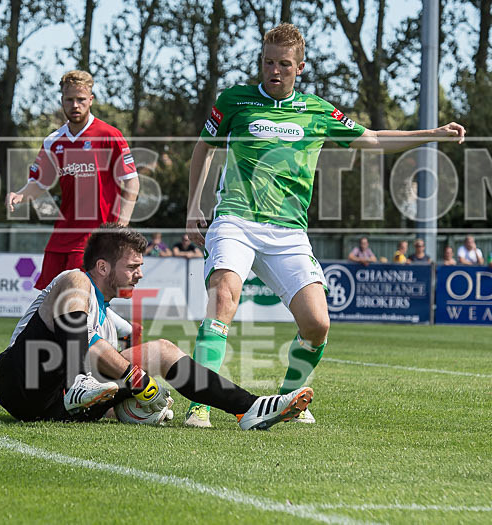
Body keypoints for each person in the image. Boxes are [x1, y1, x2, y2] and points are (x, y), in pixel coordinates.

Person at [184, 23, 465, 427]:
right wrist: (194, 204)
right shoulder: (234, 101)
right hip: (236, 220)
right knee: (223, 299)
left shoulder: (317, 110)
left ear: (299, 67)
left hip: (288, 231)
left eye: (283, 64)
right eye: (267, 62)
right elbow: (203, 149)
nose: (274, 71)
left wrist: (432, 134)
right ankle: (201, 404)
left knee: (317, 324)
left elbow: (372, 140)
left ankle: (286, 399)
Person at [0, 224, 313, 430]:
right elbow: (94, 347)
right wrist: (139, 382)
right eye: (133, 267)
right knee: (94, 331)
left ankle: (249, 407)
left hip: (58, 405)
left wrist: (133, 399)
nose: (140, 274)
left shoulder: (108, 316)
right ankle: (82, 382)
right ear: (103, 267)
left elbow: (125, 341)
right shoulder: (75, 282)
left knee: (163, 350)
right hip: (21, 380)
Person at [6, 70, 140, 290]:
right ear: (62, 100)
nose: (75, 105)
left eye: (81, 99)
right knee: (48, 299)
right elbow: (39, 183)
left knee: (77, 298)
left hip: (96, 235)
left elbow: (132, 182)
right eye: (69, 100)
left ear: (91, 100)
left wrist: (121, 225)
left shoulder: (110, 136)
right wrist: (20, 195)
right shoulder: (53, 141)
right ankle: (121, 326)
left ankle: (117, 326)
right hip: (62, 234)